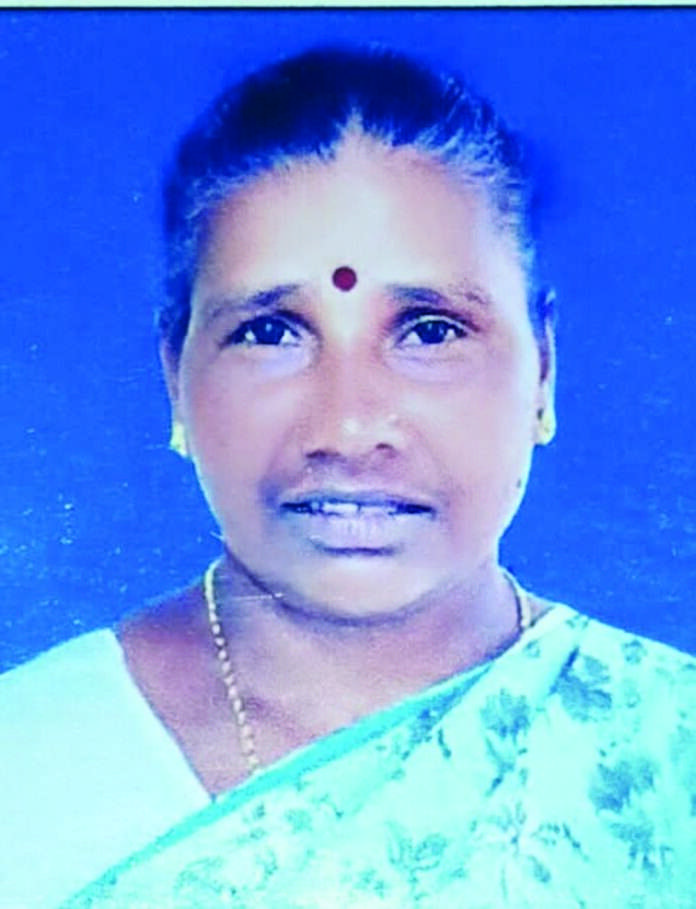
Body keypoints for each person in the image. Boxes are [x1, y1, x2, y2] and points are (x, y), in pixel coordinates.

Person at [2, 45, 694, 909]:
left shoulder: (670, 752)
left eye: (431, 330)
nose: (349, 428)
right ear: (174, 374)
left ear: (544, 370)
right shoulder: (26, 771)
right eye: (271, 332)